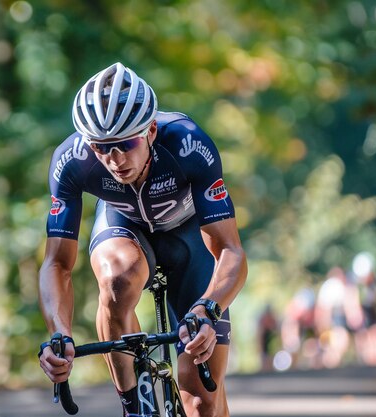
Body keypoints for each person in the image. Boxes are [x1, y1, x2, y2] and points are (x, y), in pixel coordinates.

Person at [37, 63, 247, 417]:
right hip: (125, 229)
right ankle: (133, 405)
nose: (114, 159)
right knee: (118, 279)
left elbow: (230, 250)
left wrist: (208, 307)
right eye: (101, 147)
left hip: (190, 237)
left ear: (150, 131)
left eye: (125, 144)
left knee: (201, 401)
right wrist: (59, 333)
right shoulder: (71, 162)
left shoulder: (188, 144)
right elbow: (57, 263)